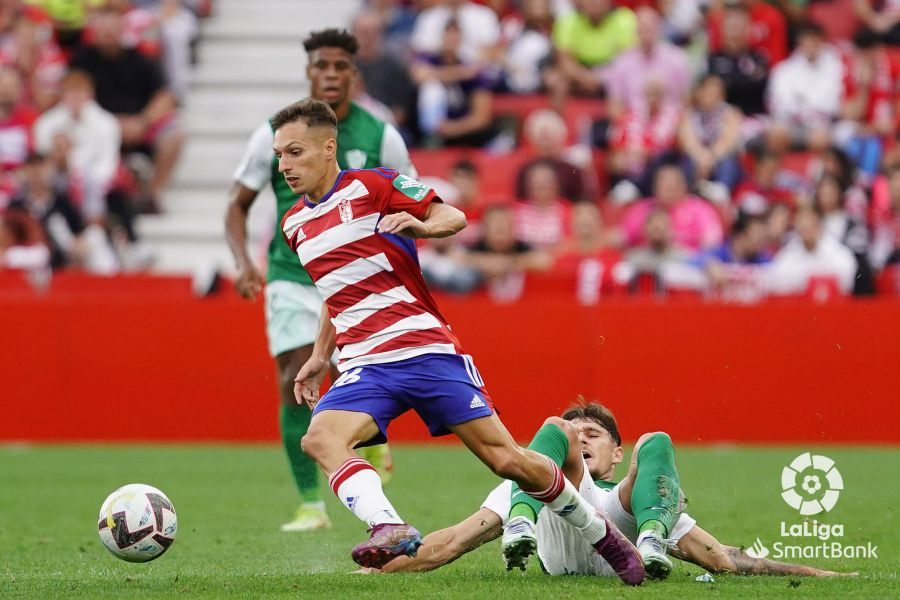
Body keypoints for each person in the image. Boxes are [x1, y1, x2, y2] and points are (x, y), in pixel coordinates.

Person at [277, 98, 643, 583]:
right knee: (320, 438)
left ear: (329, 147)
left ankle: (600, 533)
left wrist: (423, 226)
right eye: (279, 155)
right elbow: (336, 290)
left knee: (506, 460)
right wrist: (321, 355)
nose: (285, 165)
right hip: (366, 363)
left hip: (426, 350)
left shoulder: (373, 185)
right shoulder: (295, 224)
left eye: (295, 152)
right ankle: (387, 524)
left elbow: (452, 216)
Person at [224, 29, 415, 534]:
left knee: (352, 370)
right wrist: (244, 262)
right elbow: (237, 206)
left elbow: (407, 199)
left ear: (354, 73)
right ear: (308, 71)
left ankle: (367, 434)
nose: (330, 74)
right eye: (320, 66)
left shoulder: (381, 134)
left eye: (340, 66)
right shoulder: (271, 134)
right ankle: (311, 504)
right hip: (291, 274)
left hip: (355, 274)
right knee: (296, 375)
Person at [377, 401, 849, 579]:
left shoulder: (640, 496)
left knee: (657, 439)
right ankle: (522, 518)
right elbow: (450, 543)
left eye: (593, 436)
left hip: (624, 527)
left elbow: (721, 557)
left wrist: (816, 575)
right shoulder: (538, 468)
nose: (581, 440)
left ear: (616, 454)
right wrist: (380, 572)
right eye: (575, 436)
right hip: (552, 508)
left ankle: (648, 542)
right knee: (548, 435)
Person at [70, 7, 185, 210]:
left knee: (175, 135)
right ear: (95, 32)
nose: (108, 36)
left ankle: (151, 194)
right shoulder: (82, 60)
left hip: (138, 125)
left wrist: (143, 121)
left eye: (112, 31)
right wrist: (110, 125)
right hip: (97, 125)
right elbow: (74, 93)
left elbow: (165, 96)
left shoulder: (141, 59)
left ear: (123, 31)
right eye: (103, 31)